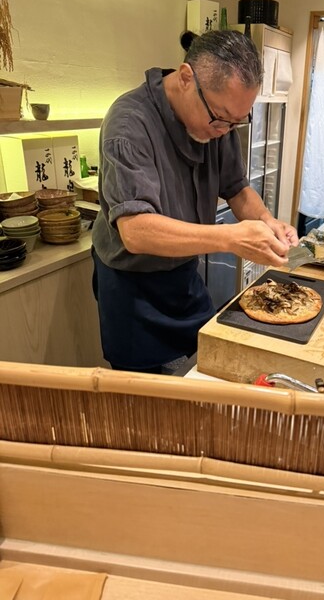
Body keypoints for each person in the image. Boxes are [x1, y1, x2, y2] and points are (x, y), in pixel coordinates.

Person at [91, 30, 299, 374]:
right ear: (186, 78)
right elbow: (136, 231)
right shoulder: (129, 123)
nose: (224, 130)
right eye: (220, 118)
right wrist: (231, 237)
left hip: (184, 276)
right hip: (132, 286)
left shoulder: (220, 123)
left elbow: (236, 189)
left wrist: (267, 220)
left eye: (236, 122)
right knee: (146, 395)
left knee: (205, 369)